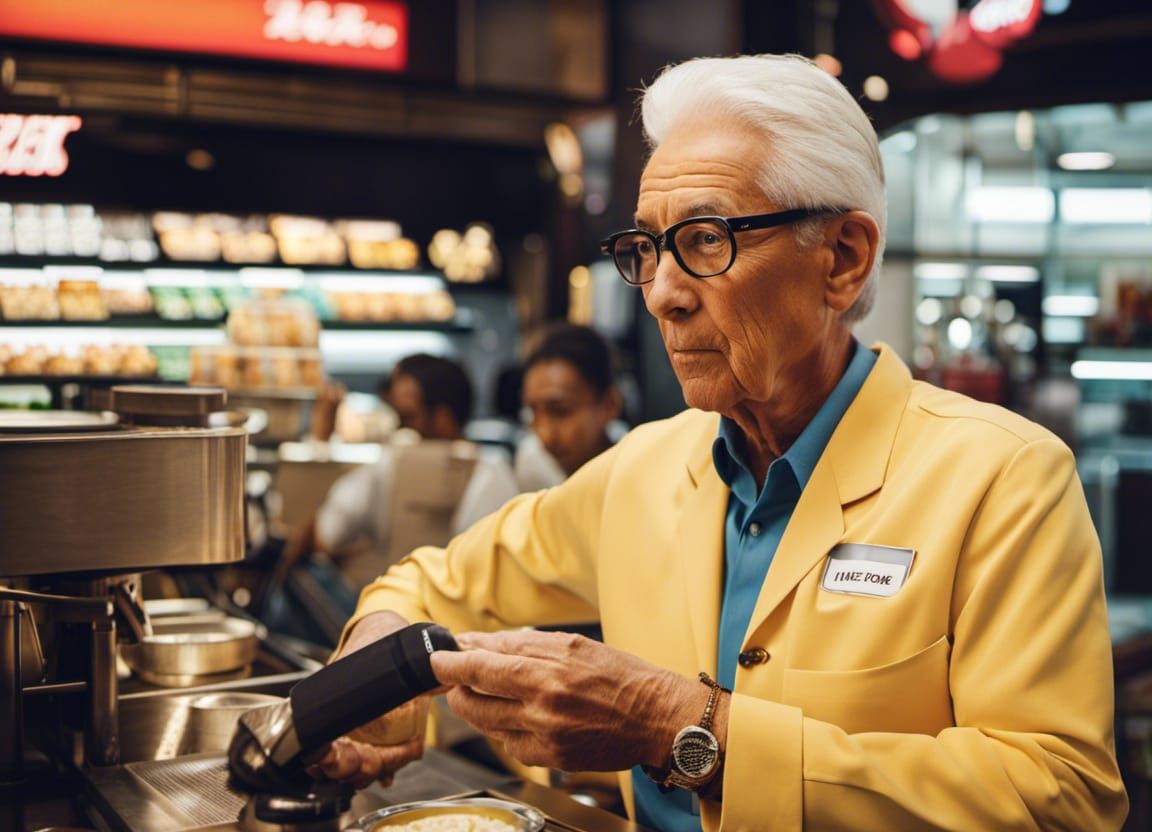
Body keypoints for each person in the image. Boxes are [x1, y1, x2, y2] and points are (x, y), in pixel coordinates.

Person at [313, 55, 1127, 830]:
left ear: (842, 260)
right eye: (648, 247)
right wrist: (379, 684)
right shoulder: (645, 468)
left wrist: (679, 730)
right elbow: (432, 585)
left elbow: (1060, 797)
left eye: (706, 240)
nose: (664, 294)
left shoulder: (1004, 479)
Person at [312, 353, 519, 590]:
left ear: (443, 417)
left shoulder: (392, 464)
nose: (400, 429)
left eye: (407, 417)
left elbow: (328, 532)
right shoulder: (495, 473)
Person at [515, 323, 624, 490]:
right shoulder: (534, 466)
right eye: (533, 412)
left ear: (609, 405)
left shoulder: (636, 472)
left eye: (561, 412)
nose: (545, 435)